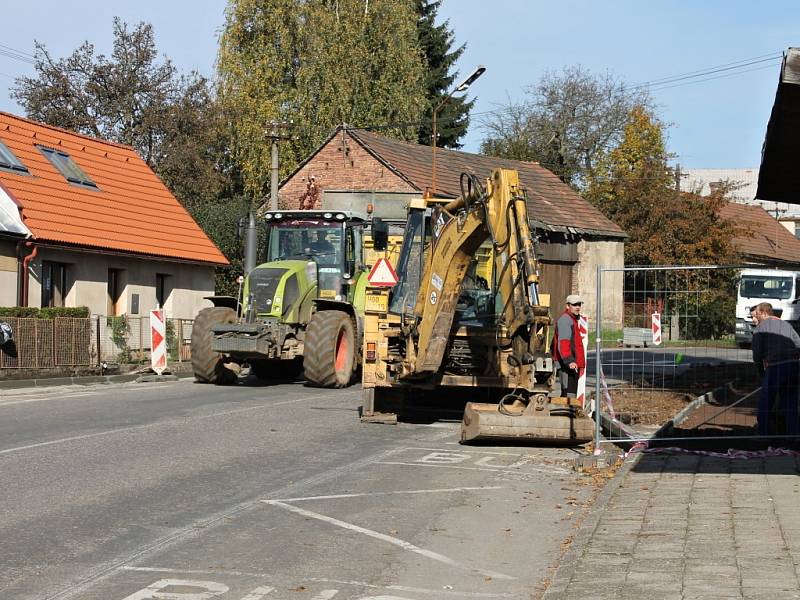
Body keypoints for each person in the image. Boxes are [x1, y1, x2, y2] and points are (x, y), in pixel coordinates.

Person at [751, 302, 800, 436]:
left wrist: (761, 372)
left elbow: (757, 353)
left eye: (756, 313)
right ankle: (793, 435)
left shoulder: (761, 328)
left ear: (764, 312)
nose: (754, 316)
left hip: (776, 366)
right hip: (794, 365)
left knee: (766, 401)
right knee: (790, 402)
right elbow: (798, 343)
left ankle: (763, 434)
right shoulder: (786, 325)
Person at [552, 294, 585, 397]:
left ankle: (567, 411)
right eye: (574, 305)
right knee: (568, 394)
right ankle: (565, 412)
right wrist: (569, 360)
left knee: (570, 394)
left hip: (572, 363)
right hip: (567, 364)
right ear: (568, 306)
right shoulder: (566, 320)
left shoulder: (572, 320)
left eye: (579, 304)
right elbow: (563, 343)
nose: (578, 307)